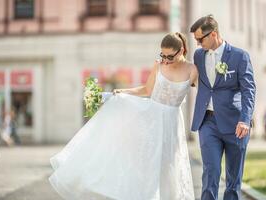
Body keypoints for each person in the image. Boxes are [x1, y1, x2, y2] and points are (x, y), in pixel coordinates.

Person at [49, 32, 198, 200]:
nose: (165, 60)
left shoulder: (192, 70)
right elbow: (147, 90)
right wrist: (123, 92)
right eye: (162, 55)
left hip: (172, 122)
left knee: (169, 166)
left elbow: (204, 94)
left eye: (170, 56)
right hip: (152, 120)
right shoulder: (159, 65)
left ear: (182, 51)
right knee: (148, 165)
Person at [190, 15, 256, 200]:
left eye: (200, 39)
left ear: (214, 34)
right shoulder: (198, 56)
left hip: (236, 124)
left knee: (233, 180)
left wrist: (245, 119)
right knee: (211, 171)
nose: (197, 43)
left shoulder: (239, 56)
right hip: (207, 122)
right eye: (195, 40)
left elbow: (249, 90)